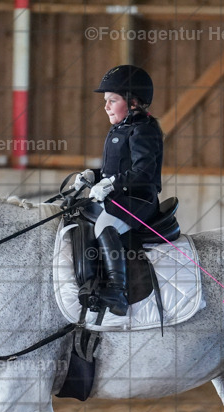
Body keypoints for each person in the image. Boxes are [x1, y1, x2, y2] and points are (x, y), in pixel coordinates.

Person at [73, 65, 163, 316]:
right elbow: (115, 168)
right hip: (121, 196)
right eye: (105, 100)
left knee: (105, 226)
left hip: (139, 199)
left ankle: (117, 290)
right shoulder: (120, 127)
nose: (106, 106)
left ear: (133, 102)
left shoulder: (143, 129)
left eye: (113, 100)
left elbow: (143, 171)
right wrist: (94, 175)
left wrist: (111, 184)